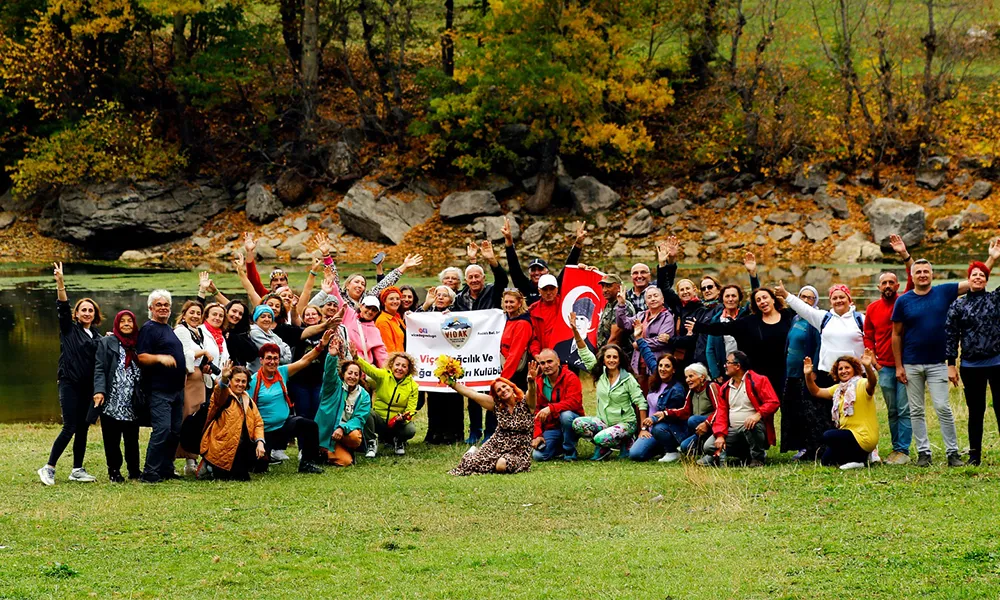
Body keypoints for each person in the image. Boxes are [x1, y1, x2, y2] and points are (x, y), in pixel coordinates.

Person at [891, 249, 999, 467]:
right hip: (917, 363)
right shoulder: (905, 301)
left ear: (932, 274)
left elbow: (977, 278)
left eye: (926, 271)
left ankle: (953, 453)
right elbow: (898, 334)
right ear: (911, 276)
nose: (922, 274)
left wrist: (993, 258)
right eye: (918, 272)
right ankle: (925, 453)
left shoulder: (947, 292)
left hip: (946, 363)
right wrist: (899, 365)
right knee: (918, 410)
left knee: (943, 407)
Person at [38, 262, 103, 485]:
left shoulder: (97, 337)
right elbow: (62, 306)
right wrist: (60, 283)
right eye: (83, 310)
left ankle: (77, 469)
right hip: (69, 383)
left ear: (95, 315)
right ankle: (48, 467)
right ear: (76, 314)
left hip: (88, 387)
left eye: (90, 310)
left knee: (83, 427)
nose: (86, 313)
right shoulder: (69, 329)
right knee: (70, 426)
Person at [862, 233, 915, 465]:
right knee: (892, 410)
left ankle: (903, 449)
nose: (887, 286)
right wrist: (873, 357)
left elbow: (914, 277)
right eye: (883, 283)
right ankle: (895, 448)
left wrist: (904, 255)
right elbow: (868, 336)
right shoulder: (873, 308)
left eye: (891, 282)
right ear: (878, 286)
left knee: (904, 409)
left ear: (897, 285)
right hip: (883, 367)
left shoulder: (905, 301)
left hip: (905, 365)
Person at [688, 287, 794, 401]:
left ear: (773, 299)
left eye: (765, 297)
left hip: (786, 370)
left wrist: (787, 294)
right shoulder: (750, 321)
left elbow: (805, 310)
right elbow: (724, 328)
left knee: (788, 406)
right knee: (764, 408)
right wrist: (699, 327)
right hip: (762, 374)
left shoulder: (787, 315)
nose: (762, 302)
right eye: (758, 300)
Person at [568, 312, 647, 460]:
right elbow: (584, 352)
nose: (611, 360)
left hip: (626, 424)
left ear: (620, 359)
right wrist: (575, 331)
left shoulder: (627, 378)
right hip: (605, 423)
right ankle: (606, 448)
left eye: (614, 357)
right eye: (608, 357)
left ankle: (626, 440)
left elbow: (641, 403)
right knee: (577, 424)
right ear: (603, 359)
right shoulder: (601, 374)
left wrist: (642, 429)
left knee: (599, 439)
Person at [946, 261, 1000, 466]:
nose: (978, 277)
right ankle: (975, 455)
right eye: (974, 275)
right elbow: (951, 334)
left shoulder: (995, 299)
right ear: (968, 279)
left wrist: (995, 257)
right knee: (975, 411)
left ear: (987, 280)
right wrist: (951, 363)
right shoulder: (958, 305)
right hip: (971, 365)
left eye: (982, 275)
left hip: (997, 363)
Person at [250, 338, 330, 474]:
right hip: (264, 431)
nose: (272, 362)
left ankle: (307, 463)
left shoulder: (282, 372)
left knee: (309, 425)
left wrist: (320, 347)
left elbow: (304, 361)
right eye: (268, 358)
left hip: (284, 424)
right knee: (259, 468)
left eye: (275, 358)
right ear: (261, 360)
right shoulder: (253, 381)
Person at [136, 289, 187, 483]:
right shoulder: (149, 328)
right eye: (159, 305)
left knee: (174, 431)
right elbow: (140, 357)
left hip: (176, 390)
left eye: (166, 305)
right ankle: (150, 472)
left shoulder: (168, 329)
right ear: (151, 308)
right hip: (159, 390)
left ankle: (166, 468)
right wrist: (160, 358)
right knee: (162, 429)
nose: (163, 308)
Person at [444, 372, 537, 476]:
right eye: (498, 390)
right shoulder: (497, 406)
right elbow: (472, 394)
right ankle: (473, 452)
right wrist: (451, 383)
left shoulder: (526, 402)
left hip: (518, 452)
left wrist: (531, 381)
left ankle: (488, 460)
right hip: (495, 446)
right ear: (497, 395)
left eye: (504, 386)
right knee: (467, 464)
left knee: (501, 465)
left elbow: (532, 392)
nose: (503, 390)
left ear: (511, 386)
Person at [701, 351, 780, 467]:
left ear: (738, 366)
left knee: (751, 425)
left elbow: (773, 402)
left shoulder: (759, 380)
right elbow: (721, 414)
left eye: (728, 363)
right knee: (708, 446)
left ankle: (758, 457)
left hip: (754, 428)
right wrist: (720, 435)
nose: (725, 366)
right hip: (734, 431)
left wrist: (758, 415)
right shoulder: (724, 388)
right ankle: (745, 455)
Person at [804, 350, 879, 470]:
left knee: (828, 436)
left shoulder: (861, 383)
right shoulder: (838, 389)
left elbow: (872, 383)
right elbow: (816, 391)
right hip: (848, 435)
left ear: (854, 369)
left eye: (847, 368)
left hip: (864, 436)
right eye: (840, 369)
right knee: (826, 461)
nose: (843, 371)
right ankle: (862, 457)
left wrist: (867, 367)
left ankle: (859, 459)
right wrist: (808, 375)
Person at [93, 310, 143, 482]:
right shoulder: (107, 342)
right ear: (117, 324)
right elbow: (99, 368)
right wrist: (99, 391)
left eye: (130, 321)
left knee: (132, 439)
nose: (127, 324)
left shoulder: (139, 343)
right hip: (112, 400)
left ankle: (134, 470)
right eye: (123, 321)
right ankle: (114, 471)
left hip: (132, 400)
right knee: (111, 439)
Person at [198, 362, 266, 481]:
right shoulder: (224, 395)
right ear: (231, 381)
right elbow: (219, 392)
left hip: (239, 449)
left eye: (243, 381)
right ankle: (208, 465)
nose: (240, 384)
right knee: (225, 477)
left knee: (245, 476)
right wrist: (224, 378)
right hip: (220, 448)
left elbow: (258, 422)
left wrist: (260, 442)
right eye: (237, 380)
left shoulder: (247, 400)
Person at [779, 286, 823, 461]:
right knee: (793, 410)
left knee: (808, 411)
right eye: (803, 296)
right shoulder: (795, 318)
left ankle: (812, 447)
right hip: (791, 373)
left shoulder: (816, 320)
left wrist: (814, 370)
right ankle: (800, 446)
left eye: (811, 298)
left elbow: (819, 347)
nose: (806, 300)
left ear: (816, 301)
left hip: (806, 373)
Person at [628, 335, 688, 462]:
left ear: (673, 370)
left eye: (667, 366)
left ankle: (671, 451)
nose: (662, 369)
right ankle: (659, 448)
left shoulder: (676, 390)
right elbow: (649, 356)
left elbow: (670, 414)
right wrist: (639, 338)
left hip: (666, 429)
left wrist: (652, 419)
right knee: (635, 454)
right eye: (661, 365)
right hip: (651, 429)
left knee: (658, 429)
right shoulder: (657, 378)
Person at [173, 299, 216, 475]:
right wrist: (203, 353)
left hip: (199, 379)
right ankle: (174, 458)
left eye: (198, 313)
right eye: (192, 313)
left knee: (197, 418)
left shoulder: (199, 332)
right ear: (184, 315)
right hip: (187, 379)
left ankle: (192, 459)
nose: (195, 316)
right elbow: (184, 354)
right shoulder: (181, 331)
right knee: (185, 417)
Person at [419, 285, 465, 444]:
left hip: (454, 363)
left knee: (453, 397)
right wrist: (426, 304)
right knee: (434, 398)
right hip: (432, 363)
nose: (440, 297)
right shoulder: (427, 314)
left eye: (444, 295)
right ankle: (434, 432)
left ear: (451, 299)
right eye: (438, 295)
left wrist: (452, 316)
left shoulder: (458, 313)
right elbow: (413, 322)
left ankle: (454, 433)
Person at [315, 336, 372, 466]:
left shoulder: (364, 395)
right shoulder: (334, 386)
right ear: (344, 374)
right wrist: (332, 356)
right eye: (349, 373)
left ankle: (342, 448)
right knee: (344, 461)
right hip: (327, 432)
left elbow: (359, 418)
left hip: (344, 432)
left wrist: (342, 428)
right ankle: (323, 451)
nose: (352, 376)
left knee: (355, 437)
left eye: (356, 374)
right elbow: (329, 374)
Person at [503, 217, 585, 305]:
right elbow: (514, 267)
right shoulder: (525, 287)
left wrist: (578, 244)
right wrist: (509, 241)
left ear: (547, 272)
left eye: (540, 269)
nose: (537, 272)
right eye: (533, 270)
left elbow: (568, 268)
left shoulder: (556, 286)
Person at [356, 348, 420, 457]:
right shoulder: (383, 375)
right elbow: (369, 369)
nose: (400, 368)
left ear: (409, 370)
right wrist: (356, 358)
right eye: (397, 365)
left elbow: (412, 409)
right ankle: (371, 443)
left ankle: (399, 441)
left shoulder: (413, 386)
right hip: (379, 420)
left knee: (410, 429)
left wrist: (404, 417)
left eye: (404, 366)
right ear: (391, 365)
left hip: (397, 422)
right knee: (367, 412)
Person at [530, 348, 585, 461]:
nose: (546, 366)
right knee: (538, 456)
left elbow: (574, 402)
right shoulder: (538, 382)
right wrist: (538, 435)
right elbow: (535, 411)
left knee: (566, 415)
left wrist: (551, 408)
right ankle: (559, 446)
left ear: (558, 362)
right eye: (542, 363)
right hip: (552, 427)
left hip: (572, 422)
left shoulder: (570, 377)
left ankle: (569, 450)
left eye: (550, 361)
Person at [495, 289, 534, 441]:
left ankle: (524, 437)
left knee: (519, 406)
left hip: (515, 372)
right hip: (505, 367)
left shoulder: (522, 323)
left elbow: (515, 353)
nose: (509, 305)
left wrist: (503, 379)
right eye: (506, 302)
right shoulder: (505, 319)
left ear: (519, 303)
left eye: (512, 302)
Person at [615, 286, 674, 383]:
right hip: (638, 364)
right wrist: (621, 305)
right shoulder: (641, 315)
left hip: (656, 364)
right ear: (646, 302)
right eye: (649, 297)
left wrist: (639, 343)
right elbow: (623, 324)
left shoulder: (667, 317)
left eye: (655, 296)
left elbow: (660, 342)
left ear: (662, 299)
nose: (653, 299)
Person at [705, 284, 749, 382]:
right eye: (727, 296)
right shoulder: (716, 320)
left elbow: (755, 294)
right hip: (726, 372)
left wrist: (753, 276)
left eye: (733, 296)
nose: (730, 299)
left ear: (739, 298)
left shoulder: (746, 316)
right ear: (722, 299)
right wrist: (715, 374)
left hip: (746, 371)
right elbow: (710, 349)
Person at [677, 362, 721, 456]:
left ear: (702, 377)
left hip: (714, 424)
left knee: (693, 420)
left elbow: (720, 409)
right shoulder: (691, 391)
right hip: (699, 428)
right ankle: (704, 449)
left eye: (691, 376)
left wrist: (707, 423)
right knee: (685, 446)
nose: (688, 380)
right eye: (686, 377)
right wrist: (665, 413)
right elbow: (685, 411)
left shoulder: (711, 386)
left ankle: (710, 449)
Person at [458, 240, 509, 310]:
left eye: (477, 276)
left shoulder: (493, 292)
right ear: (466, 281)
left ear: (484, 278)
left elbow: (502, 280)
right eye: (470, 277)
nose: (474, 280)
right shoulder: (460, 299)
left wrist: (491, 259)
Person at [248, 305, 292, 370]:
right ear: (256, 319)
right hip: (257, 374)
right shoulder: (253, 332)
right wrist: (281, 352)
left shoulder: (272, 333)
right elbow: (271, 351)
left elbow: (288, 355)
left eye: (269, 317)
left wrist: (278, 353)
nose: (267, 319)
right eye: (263, 317)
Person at [223, 299, 257, 367]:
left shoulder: (242, 333)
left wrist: (233, 337)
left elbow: (252, 356)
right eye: (234, 311)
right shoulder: (218, 330)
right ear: (226, 311)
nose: (236, 315)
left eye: (240, 314)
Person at [375, 286, 406, 354]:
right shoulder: (382, 321)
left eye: (397, 299)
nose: (395, 301)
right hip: (395, 360)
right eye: (391, 299)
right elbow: (389, 349)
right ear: (384, 302)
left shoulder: (397, 317)